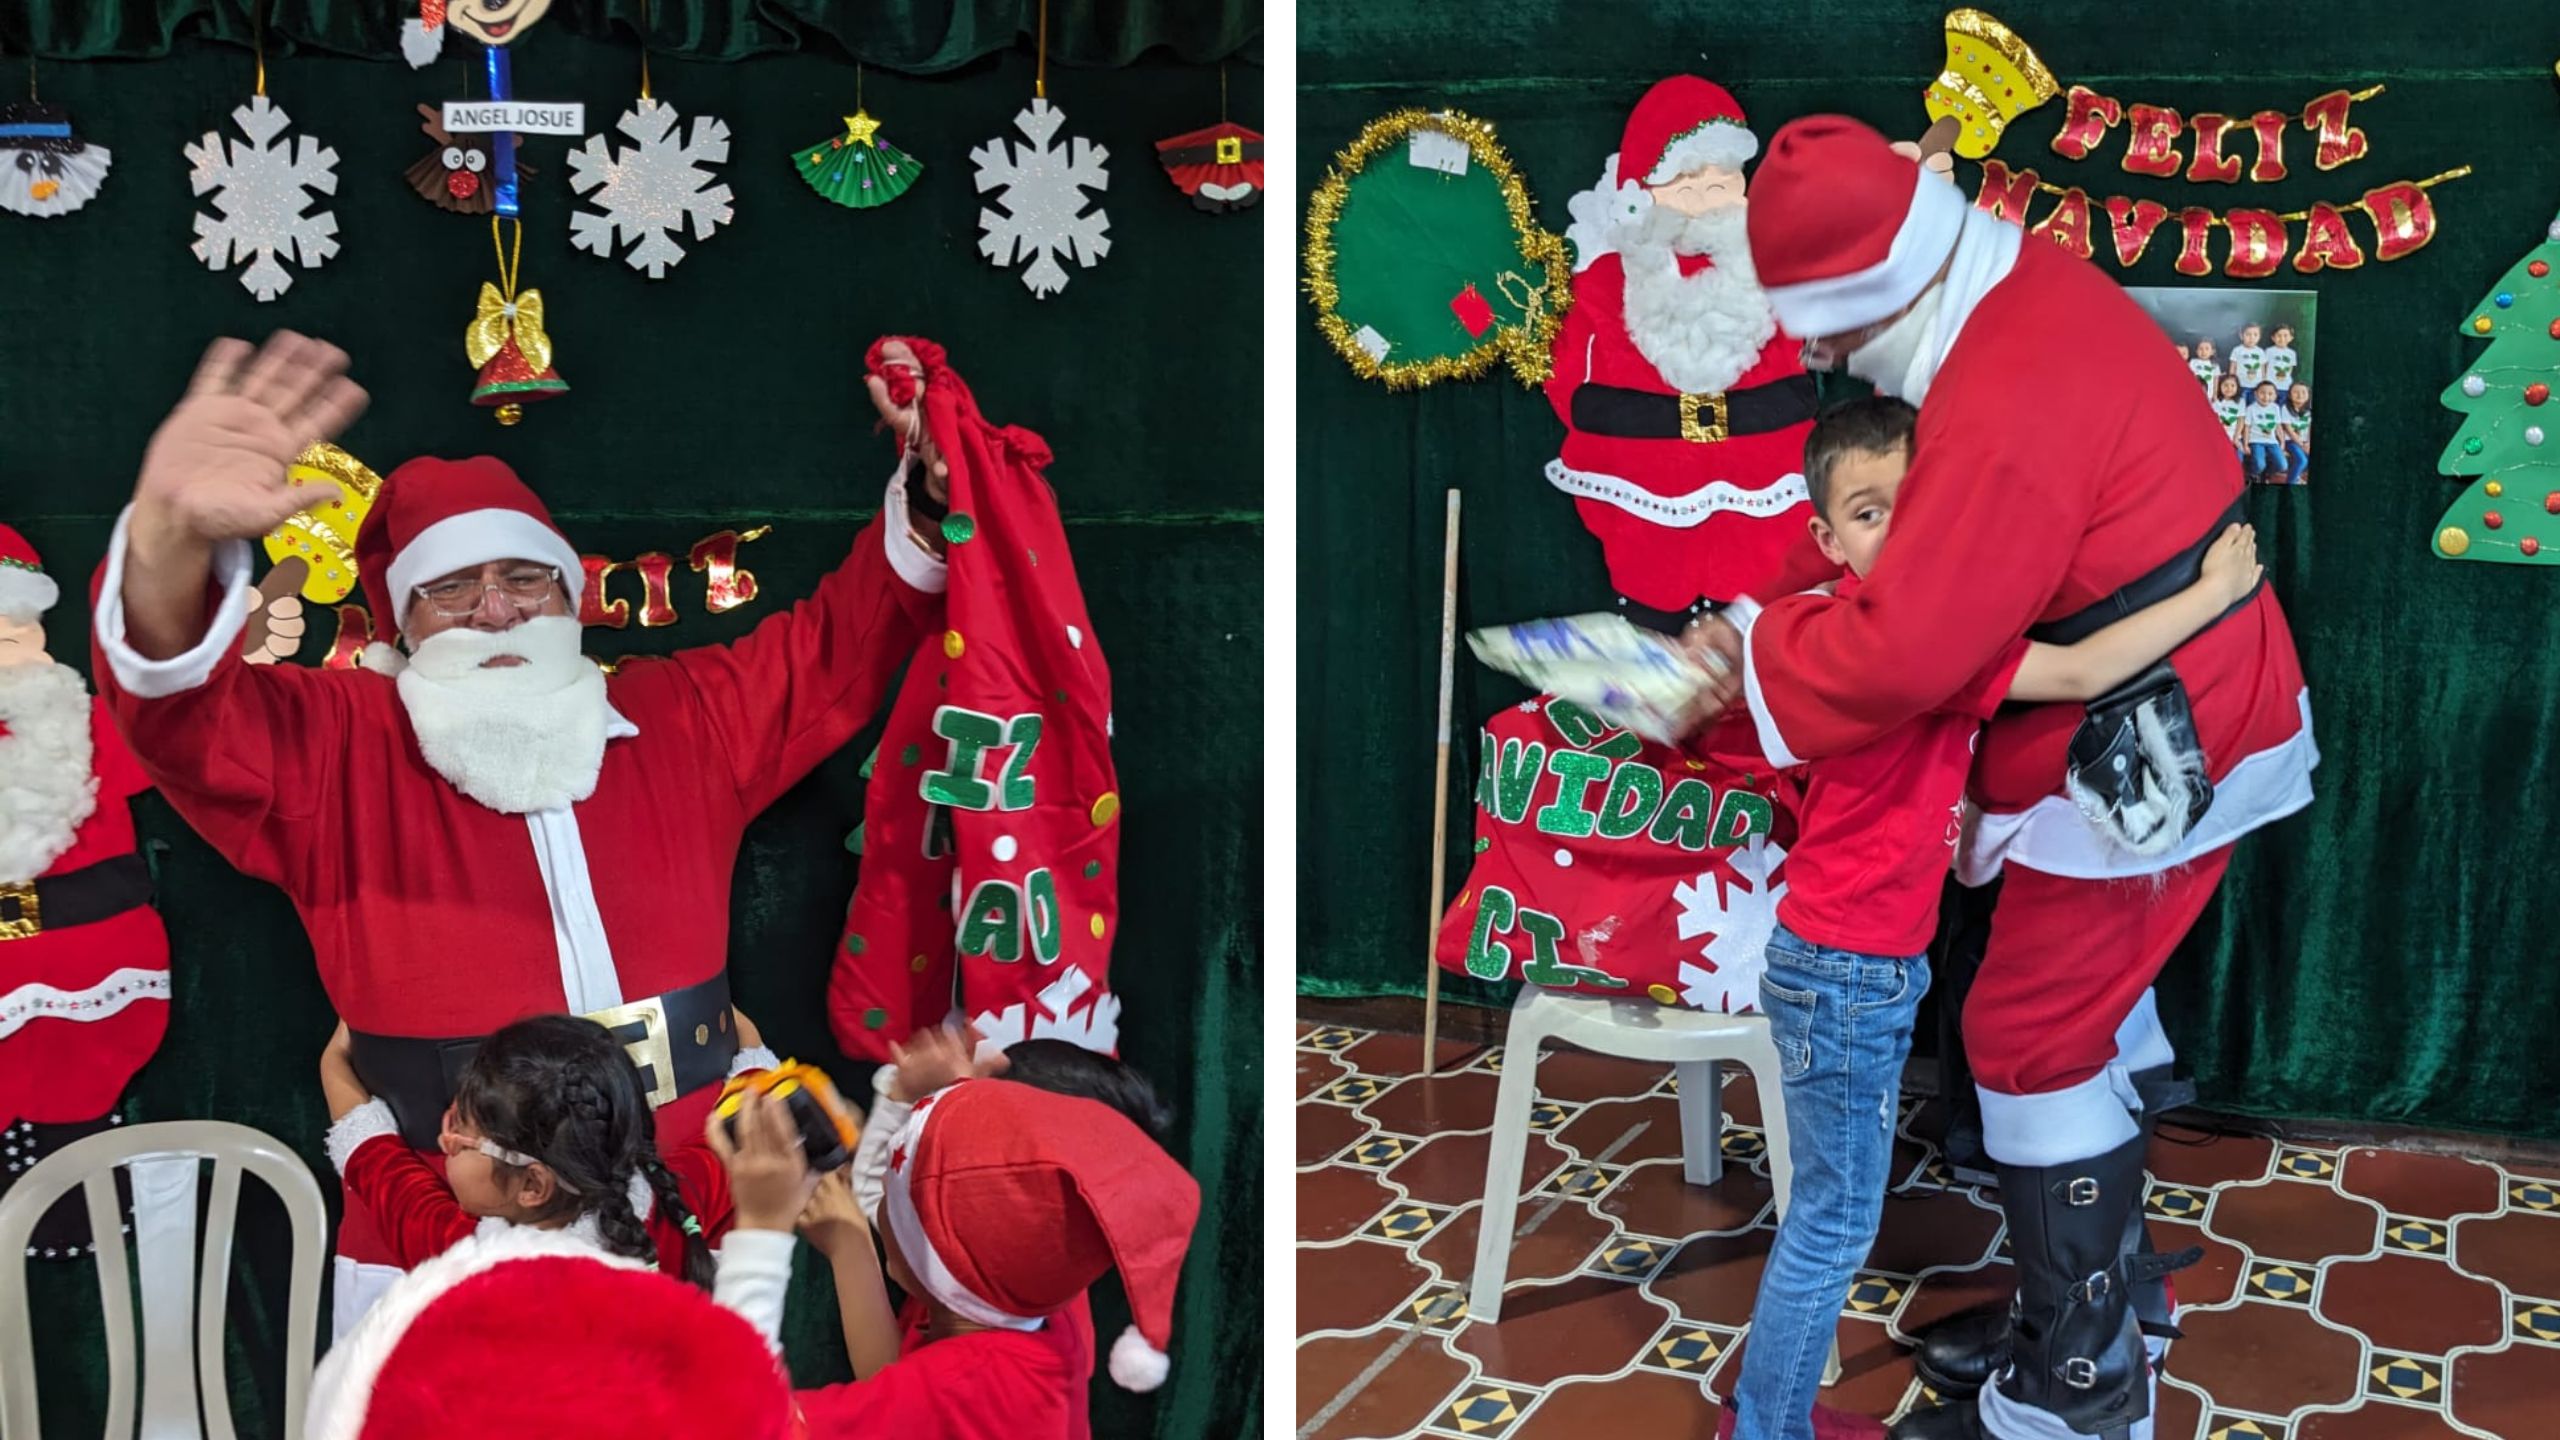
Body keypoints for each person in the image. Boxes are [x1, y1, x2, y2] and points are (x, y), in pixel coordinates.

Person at [89, 330, 950, 1331]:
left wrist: (933, 496)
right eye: (451, 587)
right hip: (439, 1226)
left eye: (524, 577)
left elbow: (839, 647)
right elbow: (179, 714)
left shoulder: (681, 715)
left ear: (570, 596)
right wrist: (167, 540)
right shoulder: (336, 744)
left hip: (685, 1201)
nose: (495, 609)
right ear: (402, 622)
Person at [1703, 116, 2314, 1440]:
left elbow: (1911, 646)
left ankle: (2080, 1392)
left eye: (1830, 336)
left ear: (1882, 288)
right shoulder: (2006, 294)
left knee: (2034, 1037)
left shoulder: (2000, 386)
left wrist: (1749, 658)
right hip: (2146, 707)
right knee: (2074, 1021)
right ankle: (2092, 1315)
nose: (1824, 362)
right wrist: (1766, 621)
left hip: (2153, 737)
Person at [719, 1078, 1202, 1439]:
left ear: (934, 1261)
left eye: (890, 1196)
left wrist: (762, 1225)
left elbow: (734, 1423)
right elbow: (901, 1393)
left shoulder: (968, 1385)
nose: (877, 1197)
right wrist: (853, 1250)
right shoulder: (1030, 1303)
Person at [1545, 74, 1821, 628]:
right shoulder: (1604, 283)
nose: (1703, 204)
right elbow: (1567, 373)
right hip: (1644, 487)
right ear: (1642, 193)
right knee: (1653, 595)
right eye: (1684, 187)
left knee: (1767, 613)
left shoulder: (1778, 272)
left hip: (1766, 482)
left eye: (1721, 186)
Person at [837, 1024, 1177, 1440]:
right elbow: (898, 1379)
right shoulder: (1028, 1274)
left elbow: (893, 1398)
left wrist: (906, 1098)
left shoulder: (990, 1367)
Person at [317, 1013, 744, 1284]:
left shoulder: (465, 1260)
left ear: (533, 1185)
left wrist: (335, 1056)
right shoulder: (677, 1202)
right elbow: (745, 1122)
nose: (445, 1142)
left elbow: (375, 1159)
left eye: (460, 1133)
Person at [2243, 379, 2286, 482]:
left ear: (2275, 396)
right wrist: (2245, 444)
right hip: (2256, 441)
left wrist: (2282, 442)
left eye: (2270, 394)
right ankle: (2253, 473)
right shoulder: (2251, 408)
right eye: (2262, 393)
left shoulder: (2275, 408)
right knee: (2259, 465)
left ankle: (2266, 473)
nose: (2266, 397)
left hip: (2272, 441)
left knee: (2282, 465)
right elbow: (2247, 428)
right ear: (2255, 394)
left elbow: (2278, 426)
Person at [2281, 382, 2313, 485]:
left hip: (2305, 442)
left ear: (2308, 395)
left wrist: (2308, 443)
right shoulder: (2285, 408)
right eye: (2296, 392)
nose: (2300, 395)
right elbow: (2289, 430)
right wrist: (2302, 445)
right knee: (2302, 460)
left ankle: (2296, 477)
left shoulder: (2310, 410)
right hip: (2291, 441)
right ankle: (2290, 483)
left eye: (2303, 392)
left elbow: (2310, 428)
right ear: (2289, 395)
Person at [2211, 374, 2247, 462]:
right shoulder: (2216, 401)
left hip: (2234, 436)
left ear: (2237, 387)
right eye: (2225, 385)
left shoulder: (2240, 401)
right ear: (2220, 386)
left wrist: (2236, 437)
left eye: (2232, 385)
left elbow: (2241, 420)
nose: (2229, 388)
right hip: (2219, 437)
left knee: (2239, 459)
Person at [2228, 323, 2268, 393]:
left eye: (2255, 335)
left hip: (2257, 386)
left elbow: (2263, 369)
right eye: (2248, 334)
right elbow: (2232, 368)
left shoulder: (2260, 351)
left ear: (2259, 337)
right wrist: (2232, 381)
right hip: (2241, 385)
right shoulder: (2237, 350)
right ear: (2241, 336)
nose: (2252, 338)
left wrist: (2263, 381)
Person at [2265, 324, 2300, 391]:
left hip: (2285, 386)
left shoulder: (2292, 353)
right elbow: (2265, 366)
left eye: (2285, 336)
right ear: (2273, 338)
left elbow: (2290, 369)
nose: (2282, 339)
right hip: (2270, 385)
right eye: (2279, 336)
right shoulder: (2269, 351)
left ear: (2291, 338)